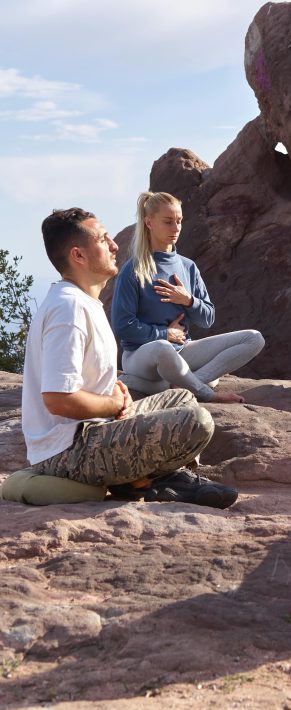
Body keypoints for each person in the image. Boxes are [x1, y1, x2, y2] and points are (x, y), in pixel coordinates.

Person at [21, 208, 237, 507]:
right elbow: (59, 399)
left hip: (91, 433)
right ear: (78, 256)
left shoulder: (84, 303)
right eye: (102, 239)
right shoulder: (68, 309)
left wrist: (112, 390)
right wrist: (112, 403)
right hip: (67, 452)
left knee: (181, 399)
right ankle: (156, 479)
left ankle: (148, 480)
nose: (114, 245)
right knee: (196, 420)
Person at [112, 191, 265, 405]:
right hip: (141, 357)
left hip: (182, 351)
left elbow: (208, 318)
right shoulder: (133, 270)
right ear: (149, 222)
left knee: (254, 338)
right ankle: (205, 392)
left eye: (179, 221)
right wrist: (165, 333)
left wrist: (188, 300)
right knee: (162, 347)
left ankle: (189, 383)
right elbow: (122, 326)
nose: (175, 229)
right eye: (168, 222)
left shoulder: (187, 266)